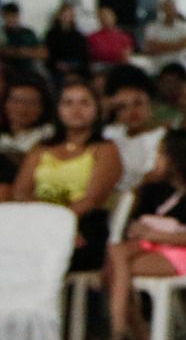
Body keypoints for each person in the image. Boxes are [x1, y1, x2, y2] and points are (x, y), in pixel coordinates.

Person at [97, 128, 186, 340]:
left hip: (179, 251)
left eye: (162, 153)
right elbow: (134, 218)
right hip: (147, 244)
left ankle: (129, 334)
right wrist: (142, 187)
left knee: (114, 272)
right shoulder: (154, 187)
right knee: (115, 255)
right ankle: (132, 335)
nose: (157, 158)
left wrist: (157, 235)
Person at [13, 79, 122, 273]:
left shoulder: (106, 149)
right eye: (68, 103)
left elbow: (93, 199)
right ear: (57, 109)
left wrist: (59, 224)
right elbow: (21, 192)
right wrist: (45, 221)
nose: (76, 109)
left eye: (84, 103)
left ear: (97, 109)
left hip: (83, 224)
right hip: (38, 222)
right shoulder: (41, 148)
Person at [103, 73, 167, 192]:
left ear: (151, 104)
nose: (131, 111)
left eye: (138, 103)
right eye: (122, 107)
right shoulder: (110, 134)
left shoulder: (164, 136)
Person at [0, 74, 53, 162]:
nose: (22, 108)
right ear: (5, 104)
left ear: (43, 107)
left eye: (31, 102)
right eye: (16, 101)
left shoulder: (49, 133)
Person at [141, 0, 186, 72]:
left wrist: (162, 45)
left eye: (171, 8)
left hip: (177, 66)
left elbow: (184, 44)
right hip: (157, 66)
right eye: (166, 8)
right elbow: (152, 46)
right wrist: (175, 45)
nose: (169, 11)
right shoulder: (152, 27)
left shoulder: (182, 27)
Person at [43, 3, 88, 80]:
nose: (66, 17)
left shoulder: (78, 35)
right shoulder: (52, 34)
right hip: (57, 66)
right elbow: (49, 53)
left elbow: (83, 54)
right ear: (59, 16)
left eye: (69, 14)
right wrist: (57, 64)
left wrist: (75, 67)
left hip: (76, 67)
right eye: (64, 14)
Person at [1, 2, 46, 72]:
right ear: (4, 17)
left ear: (18, 16)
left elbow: (43, 52)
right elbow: (4, 51)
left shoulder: (28, 32)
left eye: (14, 16)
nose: (11, 19)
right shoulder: (2, 33)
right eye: (8, 16)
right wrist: (17, 52)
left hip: (29, 70)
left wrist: (27, 52)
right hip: (8, 71)